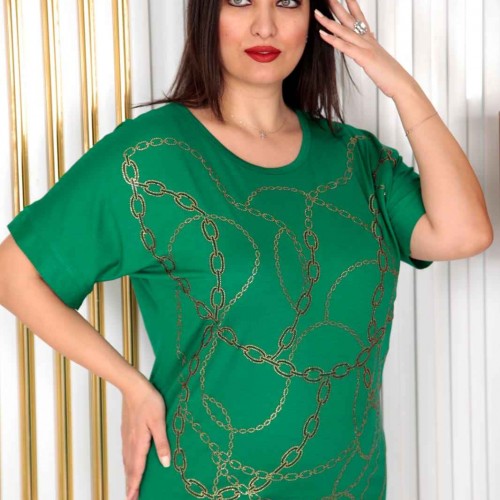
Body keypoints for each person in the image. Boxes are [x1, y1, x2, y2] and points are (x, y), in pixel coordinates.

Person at [0, 0, 493, 498]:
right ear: (206, 15)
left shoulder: (356, 158)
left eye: (287, 2)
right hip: (201, 480)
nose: (265, 25)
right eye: (239, 0)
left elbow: (465, 232)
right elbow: (14, 273)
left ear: (313, 20)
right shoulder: (152, 155)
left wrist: (400, 85)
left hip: (349, 484)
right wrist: (131, 384)